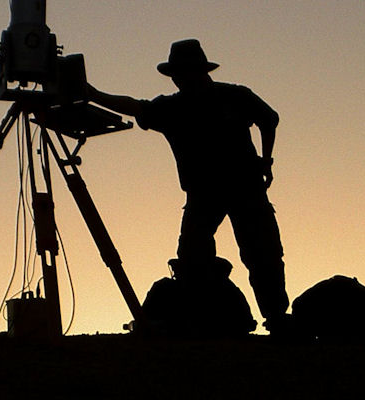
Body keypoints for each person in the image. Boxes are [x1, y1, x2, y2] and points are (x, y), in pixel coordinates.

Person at [87, 39, 293, 335]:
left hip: (240, 188)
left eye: (182, 73)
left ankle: (275, 317)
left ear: (197, 72)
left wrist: (266, 160)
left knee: (261, 252)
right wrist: (92, 94)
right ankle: (208, 316)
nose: (179, 79)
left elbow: (269, 120)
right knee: (199, 255)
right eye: (177, 75)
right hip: (209, 192)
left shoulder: (227, 97)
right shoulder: (176, 107)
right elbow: (133, 106)